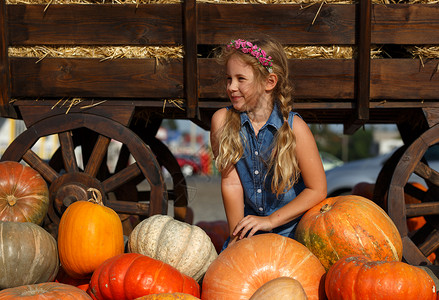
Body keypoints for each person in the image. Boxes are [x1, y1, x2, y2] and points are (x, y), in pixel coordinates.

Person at [210, 36, 327, 250]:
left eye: (240, 79)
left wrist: (271, 221)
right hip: (248, 233)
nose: (231, 87)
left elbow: (317, 190)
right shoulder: (222, 122)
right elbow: (232, 184)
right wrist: (236, 240)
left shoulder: (294, 128)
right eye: (228, 79)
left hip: (292, 236)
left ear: (269, 82)